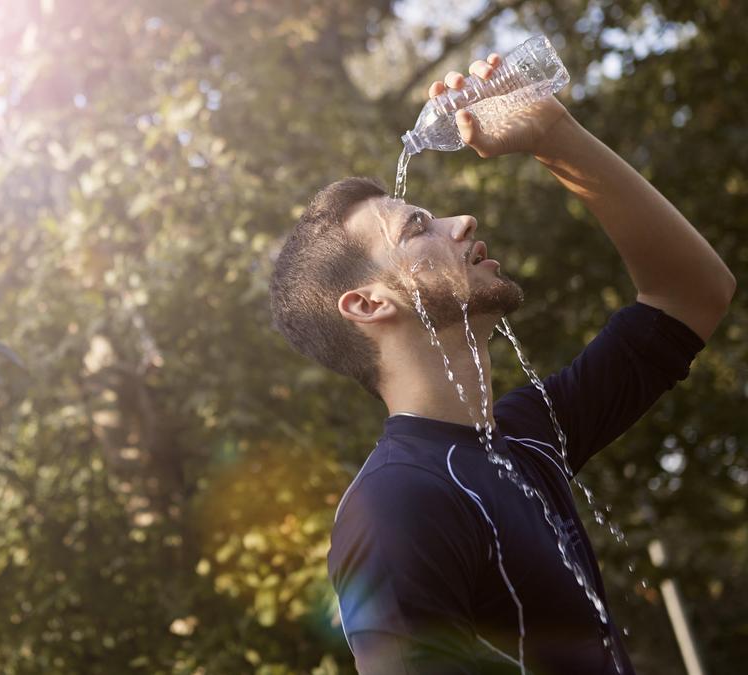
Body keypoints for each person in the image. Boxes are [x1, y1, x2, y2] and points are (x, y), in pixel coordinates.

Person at [268, 51, 736, 674]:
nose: (463, 222)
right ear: (369, 303)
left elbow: (692, 293)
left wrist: (553, 134)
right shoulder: (394, 505)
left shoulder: (526, 437)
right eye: (418, 229)